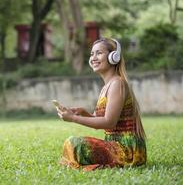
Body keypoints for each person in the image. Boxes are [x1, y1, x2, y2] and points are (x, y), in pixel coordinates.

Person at [56, 38, 147, 171]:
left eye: (98, 53)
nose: (93, 57)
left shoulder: (118, 83)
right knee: (73, 144)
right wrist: (84, 113)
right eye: (92, 54)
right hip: (114, 145)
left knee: (74, 144)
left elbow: (109, 122)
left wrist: (73, 119)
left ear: (113, 57)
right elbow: (102, 121)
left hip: (127, 151)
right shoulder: (107, 86)